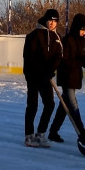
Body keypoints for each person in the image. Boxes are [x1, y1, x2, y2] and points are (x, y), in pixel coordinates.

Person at [48, 13, 85, 145]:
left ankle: (53, 132)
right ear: (76, 28)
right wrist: (79, 61)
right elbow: (64, 61)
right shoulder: (67, 41)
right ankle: (82, 133)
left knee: (64, 106)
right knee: (73, 105)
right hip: (67, 76)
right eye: (82, 29)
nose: (84, 32)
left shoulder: (84, 41)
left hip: (76, 77)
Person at [23, 8, 63, 148]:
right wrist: (43, 70)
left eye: (55, 21)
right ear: (45, 20)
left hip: (46, 76)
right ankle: (29, 135)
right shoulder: (34, 35)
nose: (52, 23)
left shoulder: (57, 37)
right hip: (33, 74)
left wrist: (51, 69)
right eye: (50, 20)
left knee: (50, 104)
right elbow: (30, 57)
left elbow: (59, 55)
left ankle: (41, 133)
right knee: (33, 105)